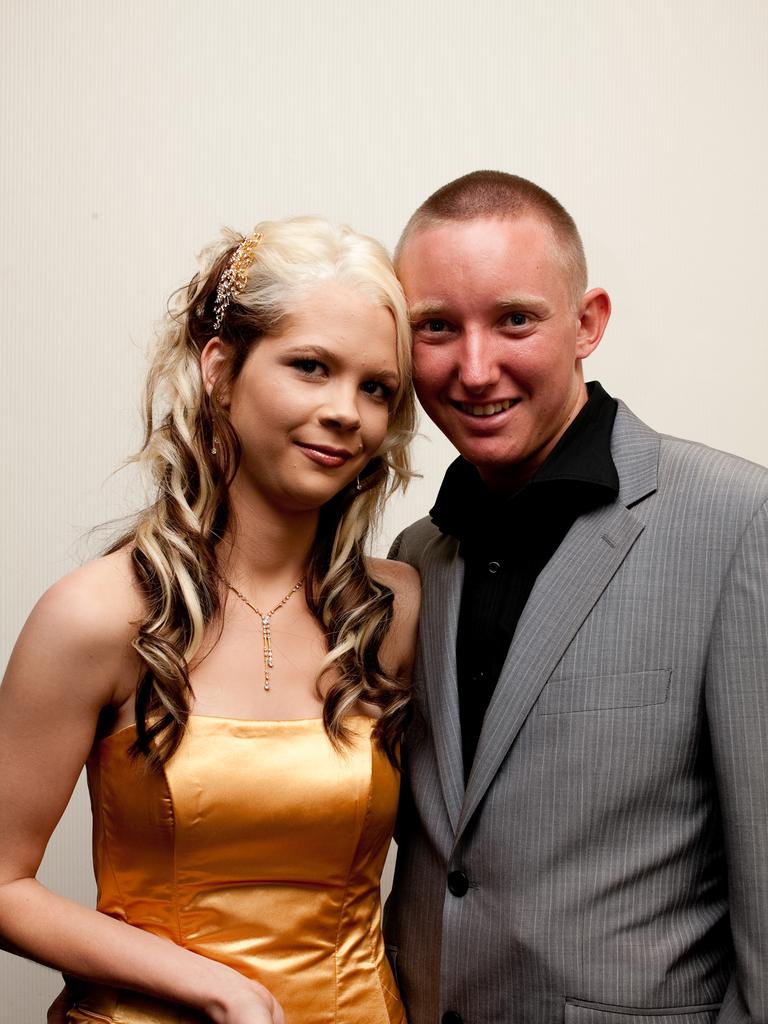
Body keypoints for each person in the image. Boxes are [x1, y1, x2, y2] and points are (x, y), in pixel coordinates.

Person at [0, 217, 420, 1024]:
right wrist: (215, 987)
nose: (347, 413)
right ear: (221, 370)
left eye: (377, 388)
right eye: (310, 367)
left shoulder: (395, 613)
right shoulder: (95, 616)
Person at [383, 171, 768, 1024]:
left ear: (588, 323)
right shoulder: (414, 558)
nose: (475, 369)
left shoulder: (738, 521)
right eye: (436, 328)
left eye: (515, 319)